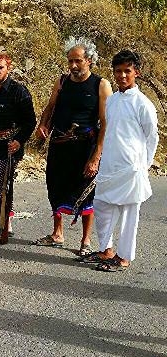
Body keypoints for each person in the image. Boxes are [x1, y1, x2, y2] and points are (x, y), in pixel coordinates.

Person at [78, 50, 158, 271]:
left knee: (129, 215)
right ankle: (106, 250)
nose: (122, 76)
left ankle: (124, 257)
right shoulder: (112, 100)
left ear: (136, 73)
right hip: (109, 167)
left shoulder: (143, 104)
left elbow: (152, 137)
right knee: (102, 207)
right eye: (118, 71)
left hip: (132, 168)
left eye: (127, 71)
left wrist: (143, 165)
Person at [34, 36, 112, 255]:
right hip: (59, 144)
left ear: (89, 60)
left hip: (84, 148)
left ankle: (86, 241)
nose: (73, 66)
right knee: (55, 187)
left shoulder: (101, 85)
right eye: (70, 61)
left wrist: (96, 157)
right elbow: (50, 107)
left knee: (86, 192)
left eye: (77, 61)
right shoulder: (62, 81)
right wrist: (43, 125)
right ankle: (57, 233)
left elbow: (106, 123)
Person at [0, 53, 37, 238]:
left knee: (4, 186)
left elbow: (30, 121)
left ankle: (5, 224)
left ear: (7, 69)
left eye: (0, 67)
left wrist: (19, 141)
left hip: (10, 148)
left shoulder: (18, 91)